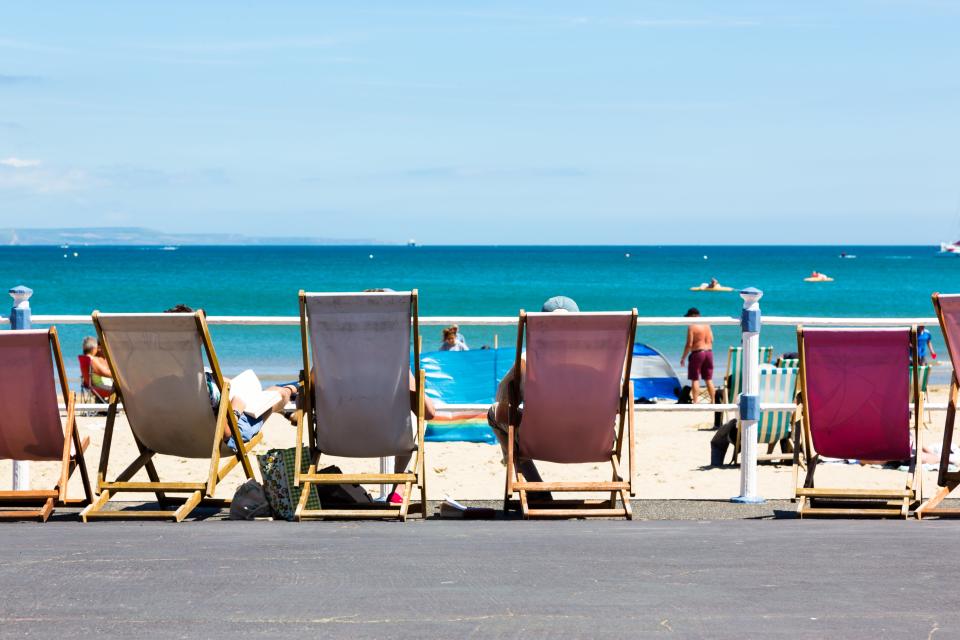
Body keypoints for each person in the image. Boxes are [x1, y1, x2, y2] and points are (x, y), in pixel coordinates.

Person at [164, 305, 298, 452]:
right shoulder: (202, 387)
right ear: (199, 338)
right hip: (225, 436)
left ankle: (291, 397)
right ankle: (293, 389)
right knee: (279, 395)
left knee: (231, 383)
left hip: (173, 438)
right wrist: (236, 408)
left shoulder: (160, 382)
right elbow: (226, 433)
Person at [487, 295, 580, 498]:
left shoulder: (527, 360)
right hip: (592, 440)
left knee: (495, 414)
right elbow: (616, 405)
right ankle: (535, 487)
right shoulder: (599, 362)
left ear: (541, 325)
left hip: (541, 439)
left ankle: (533, 484)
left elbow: (503, 399)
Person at [680, 307, 715, 403]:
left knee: (695, 378)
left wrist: (683, 357)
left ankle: (696, 401)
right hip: (709, 352)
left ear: (693, 316)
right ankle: (713, 401)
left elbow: (689, 344)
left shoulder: (692, 326)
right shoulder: (707, 325)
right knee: (708, 379)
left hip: (698, 353)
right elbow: (712, 339)